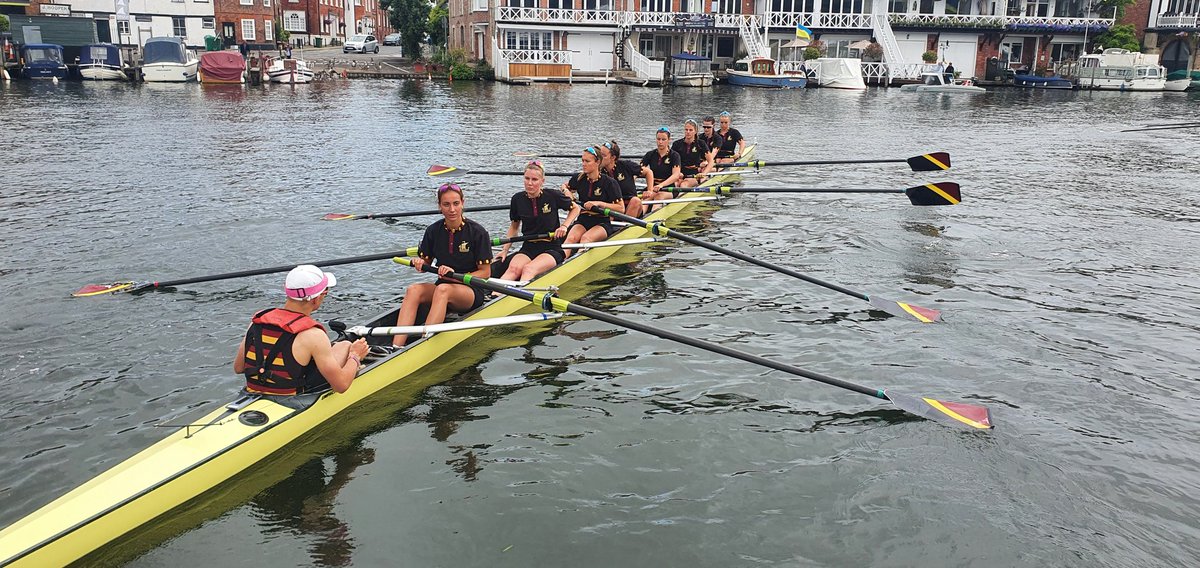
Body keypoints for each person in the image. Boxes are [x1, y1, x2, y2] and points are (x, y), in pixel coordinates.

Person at [235, 265, 369, 395]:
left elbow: (239, 368)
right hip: (292, 397)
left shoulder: (258, 321)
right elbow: (341, 386)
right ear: (316, 299)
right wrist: (355, 356)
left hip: (253, 391)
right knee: (345, 346)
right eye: (325, 293)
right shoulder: (314, 335)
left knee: (338, 346)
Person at [393, 183, 493, 347]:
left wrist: (456, 276)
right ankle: (395, 346)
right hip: (444, 285)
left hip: (471, 290)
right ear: (440, 206)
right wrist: (420, 262)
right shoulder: (433, 231)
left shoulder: (477, 232)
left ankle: (424, 344)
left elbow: (485, 272)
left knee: (442, 290)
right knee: (413, 290)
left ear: (462, 203)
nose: (452, 209)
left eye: (456, 204)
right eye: (446, 204)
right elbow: (425, 262)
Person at [497, 161, 580, 281]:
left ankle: (519, 298)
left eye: (534, 179)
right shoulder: (517, 199)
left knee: (528, 269)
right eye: (527, 178)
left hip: (551, 246)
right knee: (513, 269)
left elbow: (576, 208)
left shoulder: (552, 195)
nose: (529, 183)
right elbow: (514, 227)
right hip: (528, 246)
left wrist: (564, 226)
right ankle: (495, 296)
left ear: (542, 181)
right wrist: (505, 250)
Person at [562, 146, 624, 252]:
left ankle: (578, 263)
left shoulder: (609, 183)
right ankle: (560, 264)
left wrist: (599, 203)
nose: (583, 164)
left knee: (586, 238)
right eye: (582, 160)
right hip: (583, 219)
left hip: (602, 221)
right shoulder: (579, 178)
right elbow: (564, 186)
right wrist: (566, 191)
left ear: (597, 162)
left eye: (587, 161)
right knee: (570, 239)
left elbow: (621, 208)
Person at [597, 139, 646, 219]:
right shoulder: (599, 172)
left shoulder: (625, 165)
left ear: (613, 157)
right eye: (599, 155)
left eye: (603, 156)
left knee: (635, 201)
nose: (600, 159)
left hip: (631, 205)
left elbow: (648, 172)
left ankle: (624, 229)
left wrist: (650, 190)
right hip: (614, 207)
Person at [640, 126, 682, 212]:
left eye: (663, 139)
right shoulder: (650, 154)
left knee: (659, 196)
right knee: (645, 198)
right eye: (658, 139)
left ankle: (653, 218)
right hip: (652, 187)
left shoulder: (674, 156)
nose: (660, 142)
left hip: (668, 188)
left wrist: (661, 185)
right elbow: (638, 170)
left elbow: (676, 175)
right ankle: (639, 219)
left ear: (669, 140)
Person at [670, 119, 713, 188]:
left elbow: (711, 161)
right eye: (686, 130)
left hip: (694, 174)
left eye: (690, 130)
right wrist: (676, 173)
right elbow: (670, 161)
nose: (688, 132)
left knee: (683, 185)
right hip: (680, 173)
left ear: (695, 131)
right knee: (675, 184)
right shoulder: (677, 144)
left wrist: (704, 173)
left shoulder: (700, 143)